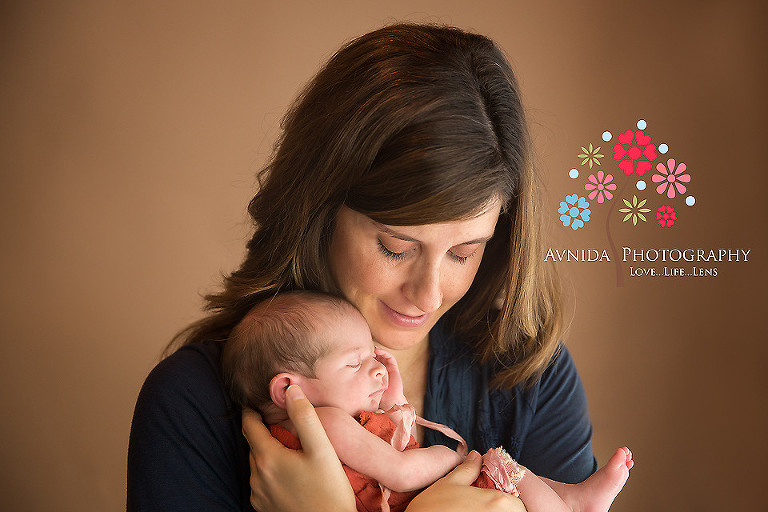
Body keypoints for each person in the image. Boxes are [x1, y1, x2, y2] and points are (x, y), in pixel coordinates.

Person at [128, 23, 600, 512]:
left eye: (464, 253)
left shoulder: (526, 376)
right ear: (320, 212)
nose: (428, 294)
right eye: (397, 247)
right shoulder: (192, 404)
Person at [223, 291, 633, 512]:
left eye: (373, 354)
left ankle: (572, 499)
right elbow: (399, 471)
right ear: (287, 391)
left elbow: (392, 436)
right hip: (426, 496)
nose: (377, 368)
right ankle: (572, 503)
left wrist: (392, 392)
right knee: (496, 464)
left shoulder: (327, 424)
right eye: (354, 362)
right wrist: (452, 458)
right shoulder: (326, 423)